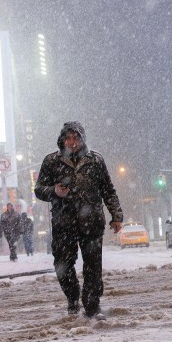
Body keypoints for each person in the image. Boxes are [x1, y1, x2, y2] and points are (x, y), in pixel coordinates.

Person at [35, 121, 123, 320]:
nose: (72, 142)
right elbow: (39, 189)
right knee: (62, 264)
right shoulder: (51, 161)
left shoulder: (96, 160)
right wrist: (54, 191)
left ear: (82, 139)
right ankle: (72, 298)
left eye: (76, 138)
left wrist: (116, 216)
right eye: (68, 138)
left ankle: (92, 307)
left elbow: (108, 190)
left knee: (93, 266)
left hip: (92, 222)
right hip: (63, 223)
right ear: (62, 139)